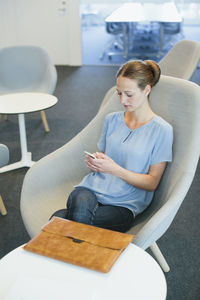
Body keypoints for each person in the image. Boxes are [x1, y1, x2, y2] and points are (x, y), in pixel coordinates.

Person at [51, 60, 173, 232]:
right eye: (119, 93)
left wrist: (114, 169)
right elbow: (106, 157)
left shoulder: (162, 130)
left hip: (124, 205)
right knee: (75, 214)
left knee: (60, 219)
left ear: (146, 90)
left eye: (129, 94)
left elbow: (152, 183)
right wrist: (98, 162)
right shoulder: (112, 119)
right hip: (91, 190)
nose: (123, 100)